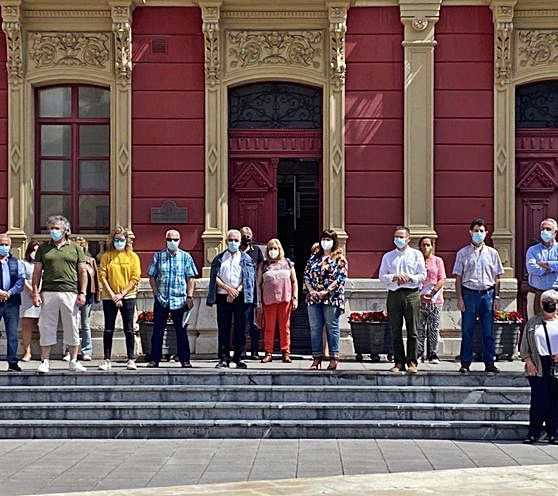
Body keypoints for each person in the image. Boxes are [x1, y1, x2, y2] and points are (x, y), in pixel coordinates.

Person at [32, 215, 88, 374]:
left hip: (70, 292)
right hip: (48, 292)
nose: (53, 231)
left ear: (65, 230)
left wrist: (82, 292)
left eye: (57, 228)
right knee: (46, 326)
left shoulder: (75, 248)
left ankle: (73, 361)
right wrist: (36, 292)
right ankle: (45, 362)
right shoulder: (43, 249)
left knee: (72, 327)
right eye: (51, 228)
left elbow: (82, 272)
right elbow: (36, 273)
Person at [453, 217, 504, 374]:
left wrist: (497, 297)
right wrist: (460, 298)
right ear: (470, 232)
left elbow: (497, 277)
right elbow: (458, 278)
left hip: (487, 295)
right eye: (476, 231)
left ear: (486, 233)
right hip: (469, 294)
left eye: (481, 231)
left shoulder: (493, 253)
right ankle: (465, 363)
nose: (479, 234)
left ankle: (490, 362)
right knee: (467, 330)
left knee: (488, 331)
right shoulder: (463, 253)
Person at [379, 226, 426, 374]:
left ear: (408, 239)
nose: (398, 240)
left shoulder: (416, 255)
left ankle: (412, 362)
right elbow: (382, 276)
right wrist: (394, 277)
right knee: (395, 329)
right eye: (396, 237)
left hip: (411, 294)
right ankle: (398, 361)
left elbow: (422, 275)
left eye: (401, 237)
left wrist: (409, 277)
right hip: (394, 293)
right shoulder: (388, 256)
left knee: (413, 330)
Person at [147, 229, 197, 368]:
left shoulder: (186, 257)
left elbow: (191, 278)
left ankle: (185, 360)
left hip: (179, 300)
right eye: (170, 239)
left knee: (181, 331)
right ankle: (154, 359)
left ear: (180, 240)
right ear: (166, 240)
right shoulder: (158, 256)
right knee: (157, 331)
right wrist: (156, 294)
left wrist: (190, 296)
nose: (172, 242)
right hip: (162, 299)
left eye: (175, 239)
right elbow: (151, 276)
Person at [207, 229, 255, 369]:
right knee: (224, 328)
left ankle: (239, 357)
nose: (233, 242)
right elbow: (214, 276)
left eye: (236, 240)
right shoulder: (219, 258)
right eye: (230, 240)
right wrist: (228, 289)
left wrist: (236, 291)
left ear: (240, 242)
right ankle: (223, 358)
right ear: (226, 241)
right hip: (223, 297)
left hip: (240, 297)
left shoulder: (246, 259)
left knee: (240, 328)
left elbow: (249, 278)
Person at [304, 229, 348, 371]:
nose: (325, 242)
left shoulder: (339, 259)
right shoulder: (314, 258)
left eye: (328, 240)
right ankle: (316, 358)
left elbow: (340, 278)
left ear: (334, 242)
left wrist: (326, 291)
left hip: (331, 298)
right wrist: (312, 291)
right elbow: (306, 276)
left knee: (332, 328)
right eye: (323, 239)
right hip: (314, 298)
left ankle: (333, 358)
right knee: (315, 328)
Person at [98, 227, 141, 370]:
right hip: (109, 296)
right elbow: (102, 276)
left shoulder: (132, 257)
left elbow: (135, 278)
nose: (119, 242)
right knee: (108, 328)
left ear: (127, 241)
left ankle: (130, 359)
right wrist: (112, 295)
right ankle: (106, 359)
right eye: (116, 240)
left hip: (128, 296)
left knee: (129, 329)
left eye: (122, 240)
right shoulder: (106, 256)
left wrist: (121, 294)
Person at [520, 289, 558, 444]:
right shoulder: (533, 322)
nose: (550, 305)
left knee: (555, 400)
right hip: (537, 364)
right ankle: (533, 433)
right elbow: (524, 346)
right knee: (539, 400)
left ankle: (553, 433)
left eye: (552, 302)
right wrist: (529, 362)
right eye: (547, 302)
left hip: (556, 363)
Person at [257, 239, 298, 363]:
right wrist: (259, 301)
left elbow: (294, 281)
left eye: (275, 248)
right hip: (269, 300)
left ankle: (285, 352)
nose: (273, 251)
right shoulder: (263, 265)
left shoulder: (288, 263)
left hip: (285, 300)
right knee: (269, 327)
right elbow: (258, 284)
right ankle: (268, 352)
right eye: (270, 248)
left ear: (280, 249)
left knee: (285, 327)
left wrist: (295, 298)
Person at [61, 236, 100, 362]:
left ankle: (86, 351)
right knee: (70, 324)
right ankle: (69, 351)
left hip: (87, 296)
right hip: (70, 294)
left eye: (82, 246)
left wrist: (97, 296)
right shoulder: (67, 261)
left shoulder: (91, 260)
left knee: (85, 324)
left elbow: (96, 280)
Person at [417, 236, 446, 364]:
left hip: (435, 300)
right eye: (423, 245)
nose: (426, 247)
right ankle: (419, 353)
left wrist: (433, 292)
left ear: (432, 247)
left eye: (428, 245)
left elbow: (442, 279)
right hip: (420, 299)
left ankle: (433, 353)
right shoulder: (416, 261)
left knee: (434, 327)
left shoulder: (438, 261)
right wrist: (419, 294)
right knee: (419, 328)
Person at [0, 233, 25, 372]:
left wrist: (9, 293)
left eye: (6, 244)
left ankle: (12, 362)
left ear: (10, 246)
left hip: (12, 303)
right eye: (1, 244)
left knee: (12, 334)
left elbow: (21, 281)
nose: (3, 247)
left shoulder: (17, 262)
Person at [240, 226, 264, 359]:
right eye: (244, 235)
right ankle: (242, 350)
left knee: (255, 323)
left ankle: (255, 351)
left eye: (249, 234)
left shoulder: (257, 251)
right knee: (242, 323)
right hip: (241, 292)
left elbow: (261, 269)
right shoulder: (237, 251)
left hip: (254, 291)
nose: (247, 237)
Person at [526, 218, 558, 316]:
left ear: (555, 232)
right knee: (535, 326)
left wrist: (543, 264)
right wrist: (552, 268)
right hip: (537, 294)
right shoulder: (532, 250)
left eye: (548, 229)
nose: (545, 232)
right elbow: (531, 268)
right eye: (543, 229)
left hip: (556, 294)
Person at [20, 240, 41, 362]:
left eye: (38, 250)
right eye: (33, 250)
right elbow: (22, 278)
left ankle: (43, 353)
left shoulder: (44, 263)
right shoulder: (22, 263)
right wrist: (33, 292)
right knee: (27, 325)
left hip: (42, 296)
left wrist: (38, 292)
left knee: (43, 325)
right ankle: (27, 352)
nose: (35, 253)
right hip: (27, 296)